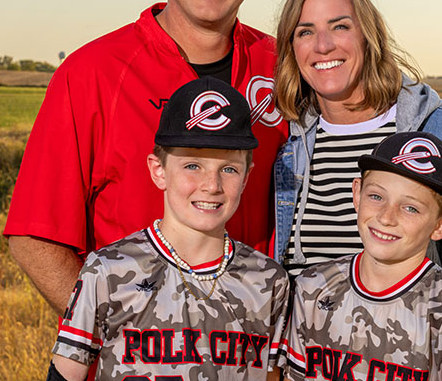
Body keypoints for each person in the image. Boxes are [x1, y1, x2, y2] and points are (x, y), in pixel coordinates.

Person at [3, 0, 287, 316]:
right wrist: (112, 334)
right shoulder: (92, 72)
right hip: (135, 348)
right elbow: (35, 236)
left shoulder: (285, 69)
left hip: (254, 344)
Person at [271, 0, 442, 376]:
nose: (323, 45)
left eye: (340, 26)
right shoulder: (290, 140)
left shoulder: (439, 135)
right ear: (291, 48)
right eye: (305, 32)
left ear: (369, 37)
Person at [47, 77, 289, 381]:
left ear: (246, 178)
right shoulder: (107, 271)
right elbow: (65, 375)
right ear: (158, 170)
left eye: (228, 169)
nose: (211, 185)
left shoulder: (268, 280)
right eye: (192, 166)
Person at [279, 132, 442, 381]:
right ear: (357, 194)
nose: (387, 218)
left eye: (411, 208)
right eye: (376, 197)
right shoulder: (313, 287)